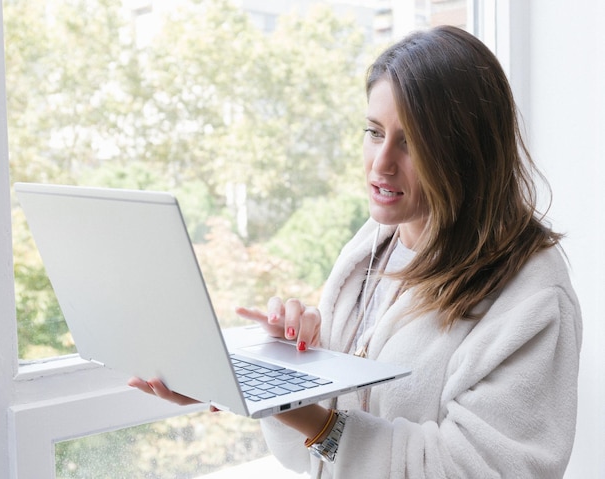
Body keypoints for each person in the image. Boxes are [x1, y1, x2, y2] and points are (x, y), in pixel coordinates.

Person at [129, 25, 582, 478]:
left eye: (411, 142)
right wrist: (284, 371)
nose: (381, 163)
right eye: (373, 132)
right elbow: (312, 457)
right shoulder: (370, 251)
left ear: (466, 152)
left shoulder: (530, 294)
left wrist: (315, 421)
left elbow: (483, 470)